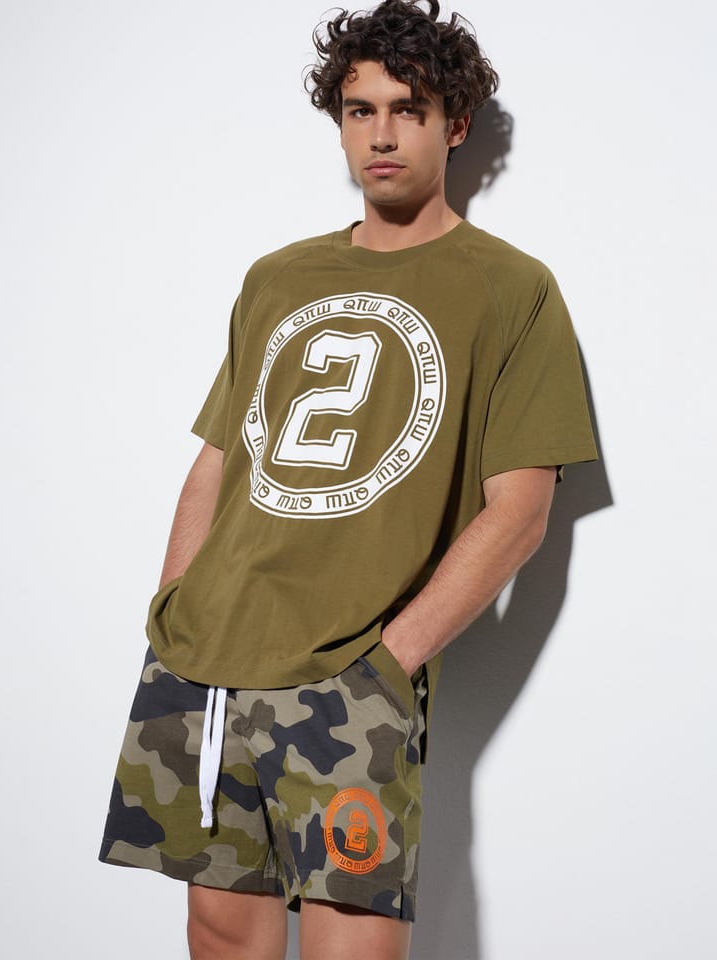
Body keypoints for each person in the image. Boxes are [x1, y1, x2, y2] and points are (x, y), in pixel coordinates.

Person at [99, 1, 597, 957]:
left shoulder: (511, 287)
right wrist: (172, 611)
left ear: (456, 123)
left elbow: (520, 512)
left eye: (408, 109)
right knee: (219, 932)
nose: (381, 134)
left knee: (352, 944)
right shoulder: (278, 276)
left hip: (349, 676)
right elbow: (220, 458)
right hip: (204, 660)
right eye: (360, 110)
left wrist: (386, 664)